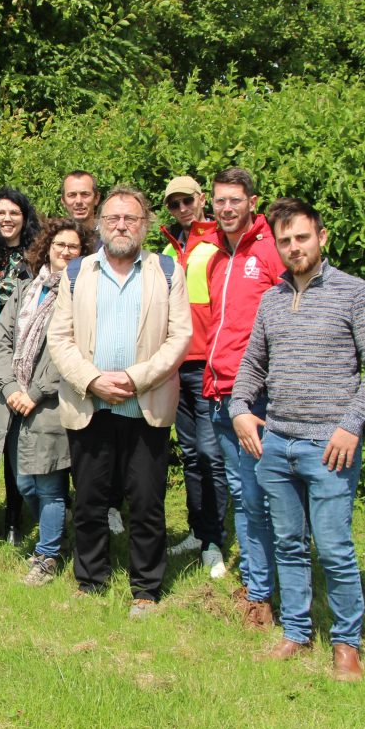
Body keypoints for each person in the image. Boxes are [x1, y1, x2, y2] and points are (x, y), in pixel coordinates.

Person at [232, 197, 365, 681]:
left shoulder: (354, 293)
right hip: (277, 442)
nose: (294, 247)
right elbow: (252, 365)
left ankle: (347, 646)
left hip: (329, 446)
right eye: (285, 240)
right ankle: (297, 633)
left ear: (321, 237)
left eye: (302, 237)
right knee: (288, 544)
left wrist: (352, 424)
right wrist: (240, 410)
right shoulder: (272, 299)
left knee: (334, 549)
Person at [47, 186, 190, 615]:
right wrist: (92, 380)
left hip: (145, 406)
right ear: (100, 224)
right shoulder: (78, 272)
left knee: (146, 502)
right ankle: (90, 579)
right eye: (112, 218)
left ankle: (146, 588)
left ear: (144, 224)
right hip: (90, 405)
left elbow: (180, 337)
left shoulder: (167, 271)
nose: (121, 225)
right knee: (90, 500)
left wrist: (134, 378)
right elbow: (60, 338)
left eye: (130, 218)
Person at [203, 166, 285, 629]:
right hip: (219, 392)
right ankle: (256, 581)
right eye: (220, 200)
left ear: (253, 202)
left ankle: (262, 593)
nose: (227, 208)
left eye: (235, 200)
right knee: (241, 491)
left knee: (258, 496)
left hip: (255, 396)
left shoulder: (270, 251)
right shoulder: (216, 257)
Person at [0, 218, 87, 585]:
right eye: (60, 244)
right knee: (25, 484)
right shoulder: (27, 289)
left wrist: (34, 393)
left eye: (73, 247)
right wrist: (10, 387)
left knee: (48, 485)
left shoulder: (82, 295)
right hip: (14, 402)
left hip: (50, 403)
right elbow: (2, 339)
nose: (66, 251)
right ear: (47, 247)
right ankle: (60, 530)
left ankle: (47, 556)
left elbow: (73, 353)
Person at [159, 175, 228, 579]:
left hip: (207, 366)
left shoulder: (219, 241)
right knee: (189, 453)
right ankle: (197, 532)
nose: (182, 209)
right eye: (174, 204)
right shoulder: (169, 248)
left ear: (202, 200)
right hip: (176, 366)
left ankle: (214, 540)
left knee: (210, 455)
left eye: (188, 201)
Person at [0, 187, 42, 543]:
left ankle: (15, 520)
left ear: (24, 217)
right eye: (0, 212)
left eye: (14, 212)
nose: (7, 218)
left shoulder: (38, 257)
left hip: (25, 361)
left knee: (17, 442)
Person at [60, 171, 100, 247]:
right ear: (63, 200)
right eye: (72, 195)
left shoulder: (109, 236)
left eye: (85, 194)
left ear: (96, 198)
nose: (79, 201)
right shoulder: (55, 238)